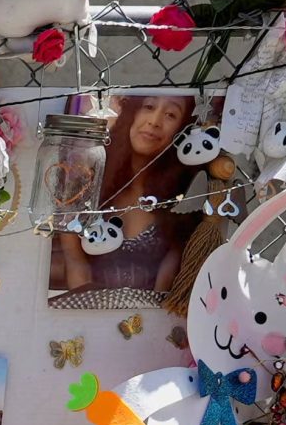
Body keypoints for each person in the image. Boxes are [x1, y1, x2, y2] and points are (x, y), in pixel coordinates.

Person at [53, 93, 194, 301]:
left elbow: (167, 282)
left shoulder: (180, 200)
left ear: (182, 131)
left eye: (171, 115)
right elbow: (75, 261)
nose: (154, 122)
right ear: (131, 113)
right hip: (86, 312)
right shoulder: (86, 181)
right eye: (148, 106)